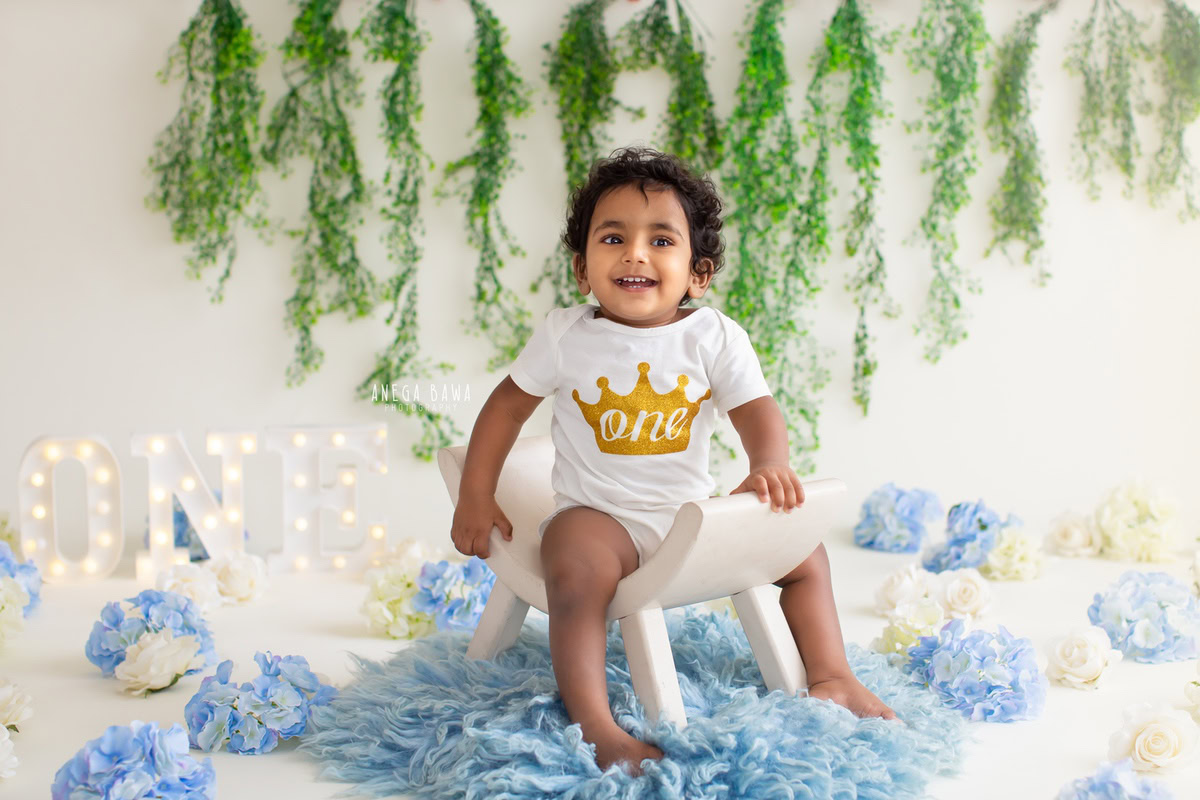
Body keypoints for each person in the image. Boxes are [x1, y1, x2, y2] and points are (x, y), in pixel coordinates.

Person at [450, 146, 896, 775]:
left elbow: (757, 409)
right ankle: (597, 726)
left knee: (803, 546)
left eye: (661, 240)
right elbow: (504, 410)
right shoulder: (565, 334)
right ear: (582, 268)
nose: (635, 253)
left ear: (697, 273)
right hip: (602, 519)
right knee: (572, 560)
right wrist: (475, 494)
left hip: (694, 517)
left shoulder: (712, 336)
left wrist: (768, 461)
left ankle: (831, 673)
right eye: (613, 237)